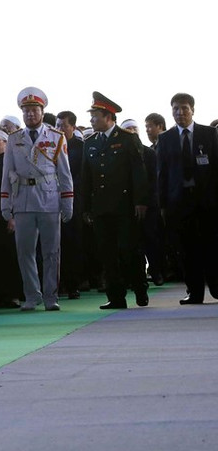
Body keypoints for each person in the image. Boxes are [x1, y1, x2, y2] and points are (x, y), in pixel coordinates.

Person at [0, 88, 73, 312]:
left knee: (52, 251)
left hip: (49, 199)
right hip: (22, 200)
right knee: (25, 252)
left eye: (34, 110)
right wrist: (5, 203)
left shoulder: (56, 137)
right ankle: (32, 295)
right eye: (26, 111)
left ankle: (51, 296)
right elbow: (6, 172)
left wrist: (67, 202)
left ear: (42, 112)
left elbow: (65, 173)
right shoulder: (14, 139)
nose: (30, 114)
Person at [80, 94, 149, 309]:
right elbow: (86, 177)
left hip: (125, 206)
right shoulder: (90, 143)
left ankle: (139, 288)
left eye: (96, 116)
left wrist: (140, 201)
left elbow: (139, 173)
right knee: (107, 253)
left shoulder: (128, 139)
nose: (92, 120)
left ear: (109, 117)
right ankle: (116, 297)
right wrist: (86, 207)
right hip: (101, 208)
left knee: (129, 250)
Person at [156, 92, 218, 304]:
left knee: (211, 245)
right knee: (186, 249)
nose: (180, 113)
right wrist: (163, 204)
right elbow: (162, 174)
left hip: (208, 202)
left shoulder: (210, 134)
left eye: (184, 108)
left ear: (193, 110)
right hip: (179, 203)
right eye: (175, 109)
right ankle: (195, 292)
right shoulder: (165, 139)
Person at [121, 118, 164, 285]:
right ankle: (136, 278)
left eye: (134, 128)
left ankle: (156, 272)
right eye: (128, 129)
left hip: (149, 206)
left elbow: (154, 181)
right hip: (127, 206)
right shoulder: (120, 154)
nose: (132, 131)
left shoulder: (149, 153)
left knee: (151, 239)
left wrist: (146, 202)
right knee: (132, 243)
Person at [0, 128, 22, 306]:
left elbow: (16, 191)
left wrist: (13, 216)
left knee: (9, 256)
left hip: (7, 214)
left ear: (6, 144)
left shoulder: (13, 162)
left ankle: (12, 294)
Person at [56, 110, 85, 299]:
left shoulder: (81, 148)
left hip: (75, 201)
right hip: (51, 200)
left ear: (73, 127)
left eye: (63, 126)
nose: (59, 129)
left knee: (73, 243)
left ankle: (74, 284)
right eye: (57, 125)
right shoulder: (51, 145)